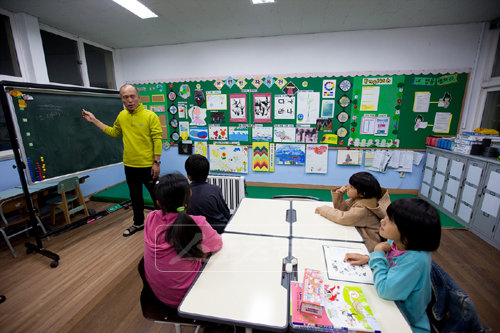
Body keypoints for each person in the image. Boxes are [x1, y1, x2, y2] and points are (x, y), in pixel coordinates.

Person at [344, 198, 441, 333]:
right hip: (390, 310)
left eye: (390, 220)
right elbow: (390, 260)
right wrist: (368, 257)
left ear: (408, 232)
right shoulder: (397, 242)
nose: (383, 220)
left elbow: (385, 290)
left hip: (406, 324)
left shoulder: (416, 259)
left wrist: (377, 254)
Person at [82, 84, 162, 237]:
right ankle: (138, 223)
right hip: (130, 165)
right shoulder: (122, 116)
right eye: (126, 97)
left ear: (138, 97)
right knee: (135, 197)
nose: (130, 100)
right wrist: (94, 120)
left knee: (157, 197)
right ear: (122, 99)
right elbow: (114, 132)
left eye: (132, 96)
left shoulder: (150, 116)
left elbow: (157, 139)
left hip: (148, 166)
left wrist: (156, 162)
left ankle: (162, 225)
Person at [143, 173, 222, 307]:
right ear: (190, 193)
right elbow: (217, 244)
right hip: (188, 297)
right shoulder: (197, 222)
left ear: (158, 202)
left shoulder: (150, 218)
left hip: (159, 295)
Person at [314, 172, 390, 251]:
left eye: (351, 187)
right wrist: (339, 194)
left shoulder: (364, 208)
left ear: (362, 194)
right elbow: (343, 209)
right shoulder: (361, 199)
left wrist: (323, 209)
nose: (347, 187)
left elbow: (343, 218)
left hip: (367, 246)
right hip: (359, 235)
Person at [185, 154, 231, 234]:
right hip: (219, 231)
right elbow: (226, 213)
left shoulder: (184, 192)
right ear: (207, 174)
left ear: (189, 176)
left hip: (195, 232)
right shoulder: (215, 189)